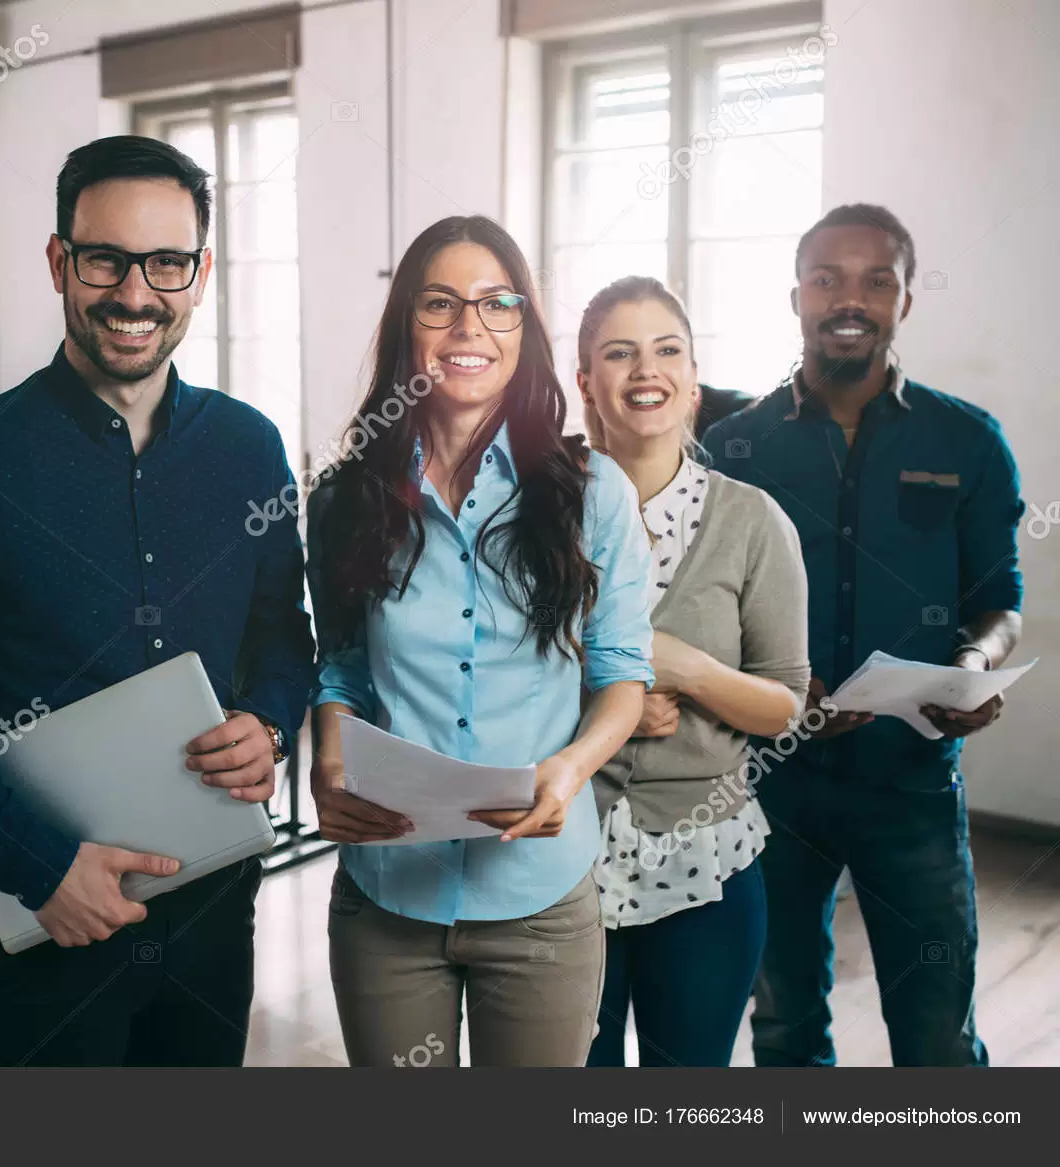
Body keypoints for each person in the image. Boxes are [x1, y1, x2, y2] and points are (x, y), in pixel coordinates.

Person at [0, 135, 315, 1067]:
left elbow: (284, 636)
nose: (136, 293)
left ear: (201, 272)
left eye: (166, 263)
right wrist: (39, 865)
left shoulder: (250, 448)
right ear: (60, 260)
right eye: (105, 258)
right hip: (46, 922)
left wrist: (268, 720)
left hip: (215, 906)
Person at [304, 215, 652, 1068]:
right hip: (387, 895)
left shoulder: (592, 493)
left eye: (498, 304)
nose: (470, 328)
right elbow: (342, 666)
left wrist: (569, 770)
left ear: (525, 329)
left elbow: (622, 675)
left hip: (539, 901)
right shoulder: (346, 496)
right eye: (441, 304)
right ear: (405, 329)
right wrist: (326, 759)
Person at [702, 204, 1024, 1066]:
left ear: (905, 300)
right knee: (783, 1023)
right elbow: (699, 608)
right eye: (828, 278)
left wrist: (972, 662)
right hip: (769, 784)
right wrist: (760, 681)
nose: (852, 298)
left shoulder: (968, 440)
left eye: (877, 280)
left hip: (911, 780)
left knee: (937, 1034)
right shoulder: (734, 447)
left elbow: (1000, 596)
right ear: (797, 296)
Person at [574, 276, 809, 1067]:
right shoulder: (532, 515)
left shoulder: (752, 521)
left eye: (667, 349)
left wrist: (695, 670)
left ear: (693, 378)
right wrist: (611, 701)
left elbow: (787, 707)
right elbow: (484, 675)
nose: (647, 369)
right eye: (620, 352)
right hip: (557, 857)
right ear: (585, 383)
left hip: (706, 863)